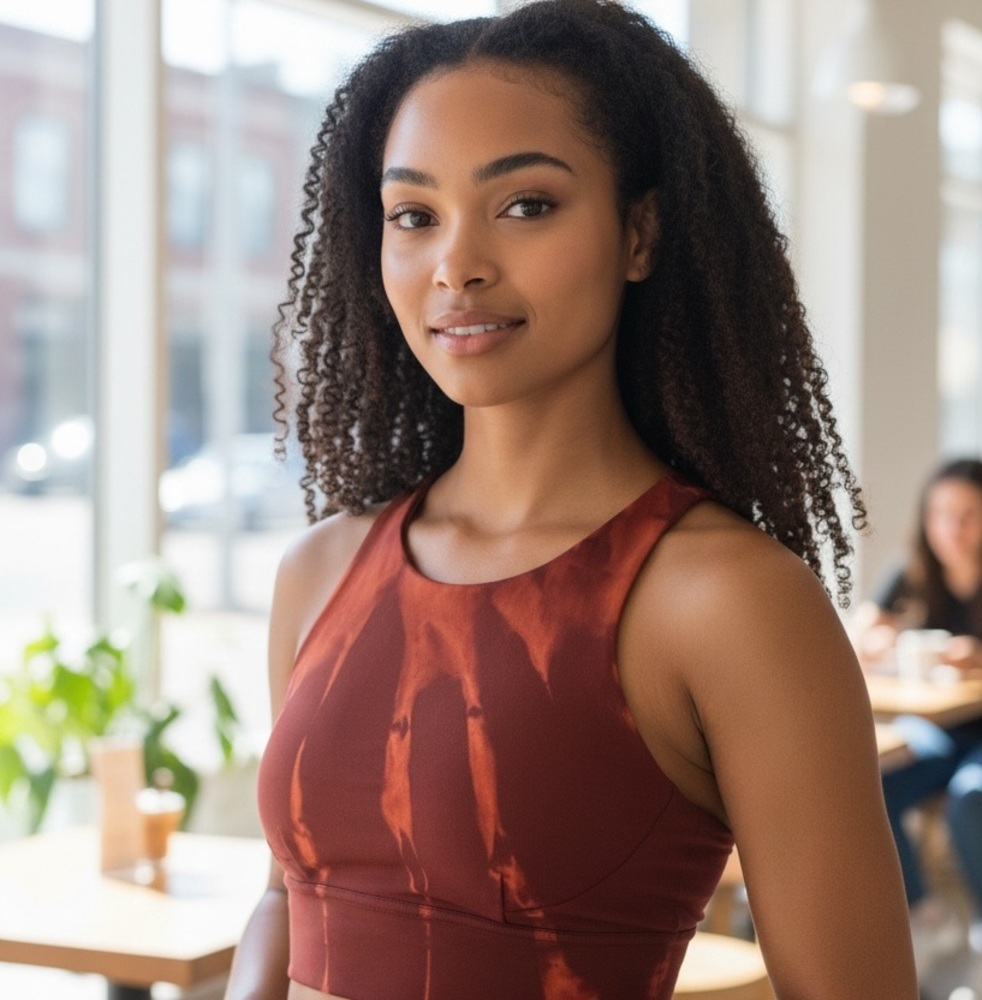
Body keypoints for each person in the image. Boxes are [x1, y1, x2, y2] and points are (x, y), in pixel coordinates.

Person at [224, 2, 916, 997]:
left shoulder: (727, 600)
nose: (456, 264)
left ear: (639, 233)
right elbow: (290, 897)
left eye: (525, 205)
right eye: (414, 215)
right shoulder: (322, 570)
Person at [854, 457, 982, 998]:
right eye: (941, 515)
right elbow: (864, 626)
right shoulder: (914, 567)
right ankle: (926, 919)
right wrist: (874, 637)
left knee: (975, 797)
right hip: (940, 729)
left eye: (968, 516)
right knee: (872, 780)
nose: (953, 530)